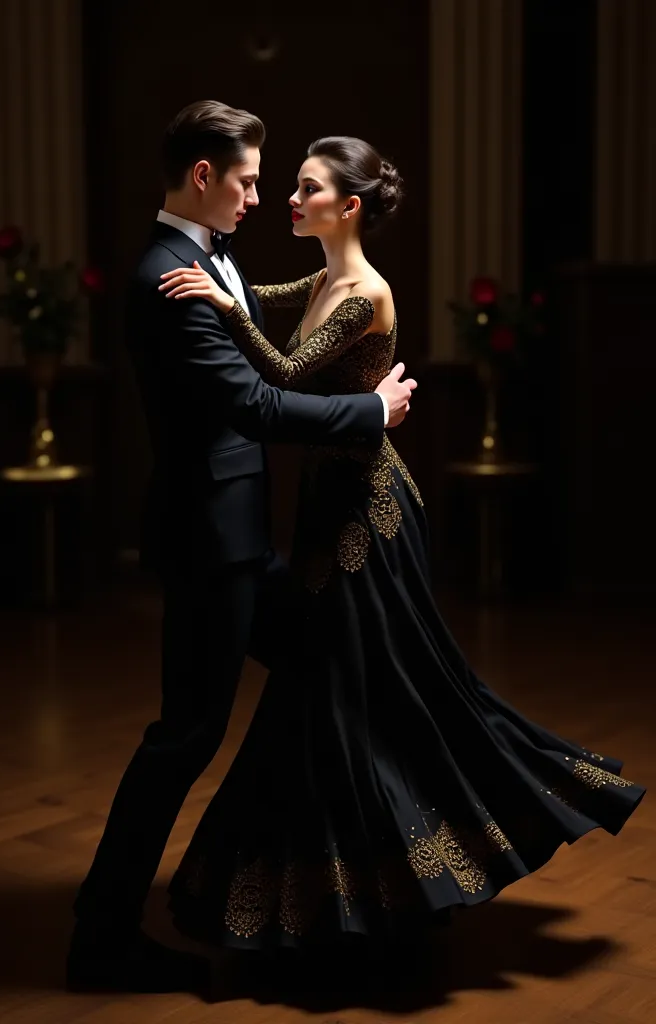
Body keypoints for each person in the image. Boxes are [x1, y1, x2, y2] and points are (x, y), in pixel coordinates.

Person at [161, 135, 646, 955]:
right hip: (330, 505)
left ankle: (400, 874)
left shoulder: (364, 293)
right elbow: (260, 294)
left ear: (346, 206)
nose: (289, 196)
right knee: (336, 686)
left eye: (306, 187)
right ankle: (339, 880)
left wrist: (221, 309)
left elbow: (280, 375)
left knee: (368, 686)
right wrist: (220, 280)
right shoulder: (323, 277)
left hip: (365, 514)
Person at [66, 103, 417, 993]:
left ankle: (333, 894)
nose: (260, 197)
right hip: (210, 547)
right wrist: (371, 411)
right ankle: (101, 940)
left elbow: (260, 346)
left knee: (329, 683)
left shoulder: (206, 262)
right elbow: (257, 407)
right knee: (185, 737)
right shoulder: (166, 274)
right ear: (201, 177)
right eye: (249, 180)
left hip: (240, 543)